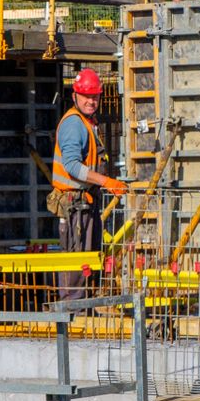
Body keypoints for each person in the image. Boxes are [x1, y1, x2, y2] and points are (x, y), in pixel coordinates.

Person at [48, 68, 127, 300]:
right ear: (75, 96)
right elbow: (72, 166)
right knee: (76, 262)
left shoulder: (88, 122)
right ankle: (73, 314)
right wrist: (106, 182)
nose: (91, 101)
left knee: (88, 260)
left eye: (95, 96)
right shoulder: (74, 125)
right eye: (86, 96)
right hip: (74, 208)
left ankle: (84, 308)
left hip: (84, 204)